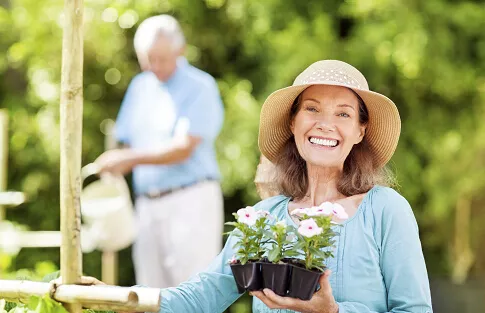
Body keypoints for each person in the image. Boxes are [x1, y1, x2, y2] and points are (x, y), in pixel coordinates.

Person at [100, 59, 434, 312]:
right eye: (312, 109)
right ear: (293, 122)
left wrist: (332, 311)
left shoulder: (386, 211)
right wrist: (108, 296)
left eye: (344, 114)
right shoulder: (262, 220)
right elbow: (200, 297)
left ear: (361, 131)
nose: (325, 124)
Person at [94, 15, 225, 289]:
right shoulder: (139, 87)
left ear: (181, 50)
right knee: (149, 293)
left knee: (192, 292)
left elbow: (183, 148)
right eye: (148, 58)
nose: (155, 66)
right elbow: (126, 142)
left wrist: (128, 159)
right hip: (147, 205)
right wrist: (113, 167)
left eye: (162, 59)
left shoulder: (200, 86)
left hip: (190, 200)